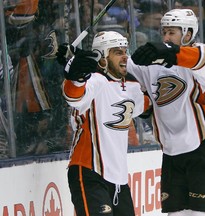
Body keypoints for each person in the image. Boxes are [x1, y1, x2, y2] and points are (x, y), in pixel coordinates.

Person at [128, 9, 205, 216]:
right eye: (164, 32)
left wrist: (166, 50)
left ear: (187, 33)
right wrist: (81, 60)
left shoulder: (204, 54)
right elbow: (118, 66)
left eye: (172, 32)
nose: (166, 37)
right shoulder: (151, 64)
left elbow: (196, 57)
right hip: (172, 152)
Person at [57, 31, 150, 216]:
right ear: (102, 59)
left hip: (119, 179)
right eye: (117, 52)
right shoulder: (95, 81)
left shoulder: (131, 85)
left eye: (125, 51)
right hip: (89, 171)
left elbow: (148, 105)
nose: (125, 56)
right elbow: (74, 96)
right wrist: (75, 75)